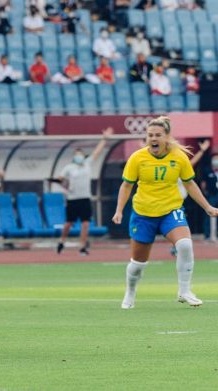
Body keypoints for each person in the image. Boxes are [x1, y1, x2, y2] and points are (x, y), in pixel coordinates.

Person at [111, 117, 218, 309]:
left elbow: (189, 183)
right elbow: (127, 186)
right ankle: (130, 292)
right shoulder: (137, 158)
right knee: (138, 263)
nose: (153, 139)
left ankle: (184, 291)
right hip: (144, 213)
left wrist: (207, 207)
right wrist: (119, 210)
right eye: (150, 135)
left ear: (167, 137)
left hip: (171, 210)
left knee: (185, 244)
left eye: (158, 135)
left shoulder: (178, 157)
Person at [54, 128, 112, 256]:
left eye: (80, 154)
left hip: (85, 198)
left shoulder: (87, 164)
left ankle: (82, 246)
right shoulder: (69, 168)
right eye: (76, 154)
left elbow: (97, 152)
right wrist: (60, 181)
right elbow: (60, 179)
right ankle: (61, 241)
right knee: (69, 223)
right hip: (72, 199)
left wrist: (104, 139)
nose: (78, 156)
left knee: (85, 223)